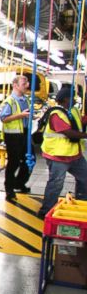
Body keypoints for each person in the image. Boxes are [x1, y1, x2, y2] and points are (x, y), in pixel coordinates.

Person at [38, 86, 87, 218]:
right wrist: (85, 135)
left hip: (74, 155)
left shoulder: (74, 110)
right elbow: (69, 133)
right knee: (56, 183)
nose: (75, 101)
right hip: (58, 156)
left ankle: (81, 203)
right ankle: (45, 211)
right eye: (73, 98)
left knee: (85, 178)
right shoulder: (56, 114)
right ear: (66, 99)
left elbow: (79, 122)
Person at [0, 74, 31, 201]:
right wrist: (21, 115)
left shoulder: (25, 99)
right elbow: (4, 118)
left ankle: (19, 183)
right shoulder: (10, 101)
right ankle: (9, 190)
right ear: (15, 86)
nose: (27, 86)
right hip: (13, 135)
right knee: (14, 162)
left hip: (24, 132)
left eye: (27, 83)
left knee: (29, 159)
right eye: (24, 84)